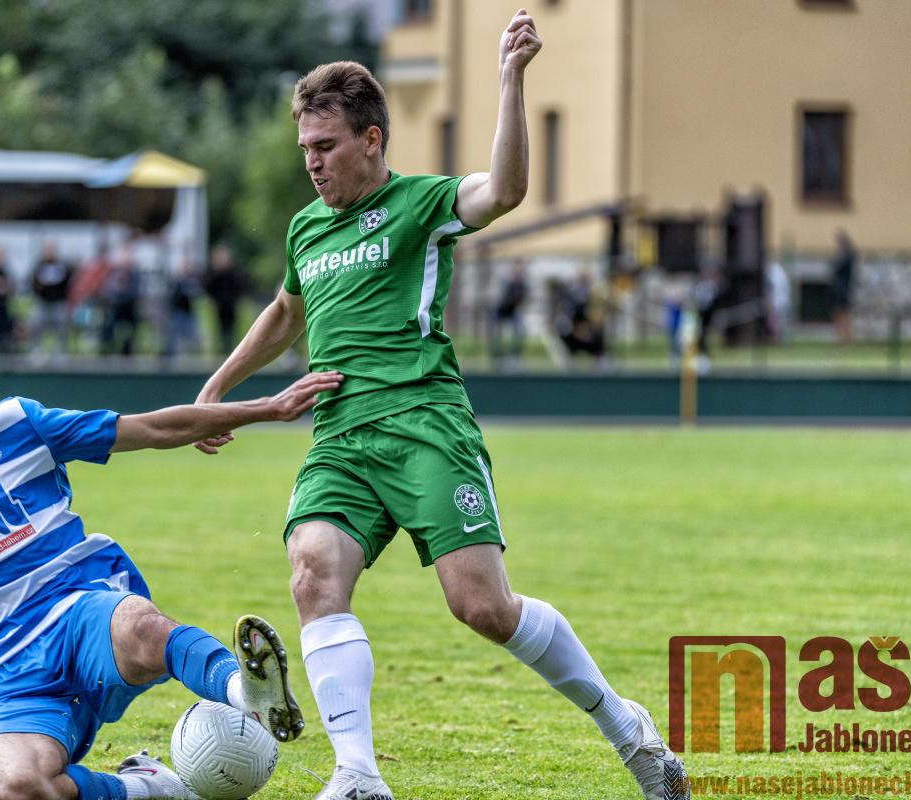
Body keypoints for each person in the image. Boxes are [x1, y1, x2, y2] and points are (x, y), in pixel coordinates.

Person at [192, 12, 689, 800]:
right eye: (305, 148)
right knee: (313, 572)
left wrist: (510, 79)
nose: (313, 163)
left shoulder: (421, 205)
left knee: (483, 607)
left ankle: (626, 728)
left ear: (372, 140)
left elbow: (506, 190)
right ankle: (358, 775)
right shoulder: (306, 229)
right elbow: (287, 313)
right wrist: (218, 388)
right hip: (339, 438)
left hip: (425, 426)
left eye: (326, 146)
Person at [0, 323, 343, 800]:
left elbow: (150, 428)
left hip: (79, 612)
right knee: (19, 785)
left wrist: (267, 408)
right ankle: (150, 787)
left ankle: (243, 691)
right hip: (6, 678)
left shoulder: (18, 425)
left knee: (142, 627)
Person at [30, 239, 75, 359]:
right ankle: (36, 353)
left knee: (62, 330)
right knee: (36, 327)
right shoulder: (38, 266)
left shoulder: (63, 266)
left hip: (59, 303)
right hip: (43, 303)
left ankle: (60, 354)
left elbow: (68, 285)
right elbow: (33, 284)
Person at [100, 246, 140, 357]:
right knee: (109, 324)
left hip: (129, 306)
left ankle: (127, 351)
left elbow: (136, 291)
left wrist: (127, 297)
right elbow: (107, 289)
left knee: (133, 325)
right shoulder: (113, 274)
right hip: (116, 305)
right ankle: (106, 349)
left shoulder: (134, 275)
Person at [203, 243, 242, 354]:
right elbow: (209, 288)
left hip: (230, 306)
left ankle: (229, 350)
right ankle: (219, 351)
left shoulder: (232, 274)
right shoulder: (213, 275)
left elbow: (239, 288)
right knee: (217, 331)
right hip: (217, 307)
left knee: (230, 331)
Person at [164, 259, 204, 360]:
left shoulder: (193, 282)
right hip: (177, 312)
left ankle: (195, 358)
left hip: (188, 312)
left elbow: (196, 296)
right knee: (172, 337)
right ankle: (169, 358)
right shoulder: (177, 281)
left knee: (193, 337)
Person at [490, 261, 528, 363]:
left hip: (512, 311)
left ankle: (515, 355)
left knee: (520, 330)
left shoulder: (522, 285)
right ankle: (496, 355)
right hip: (500, 310)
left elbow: (522, 300)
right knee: (496, 333)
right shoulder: (506, 283)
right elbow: (500, 300)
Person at [831, 230, 856, 345]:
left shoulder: (848, 256)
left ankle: (847, 338)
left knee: (845, 313)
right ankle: (840, 337)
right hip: (837, 290)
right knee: (837, 313)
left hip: (844, 290)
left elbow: (841, 269)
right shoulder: (840, 256)